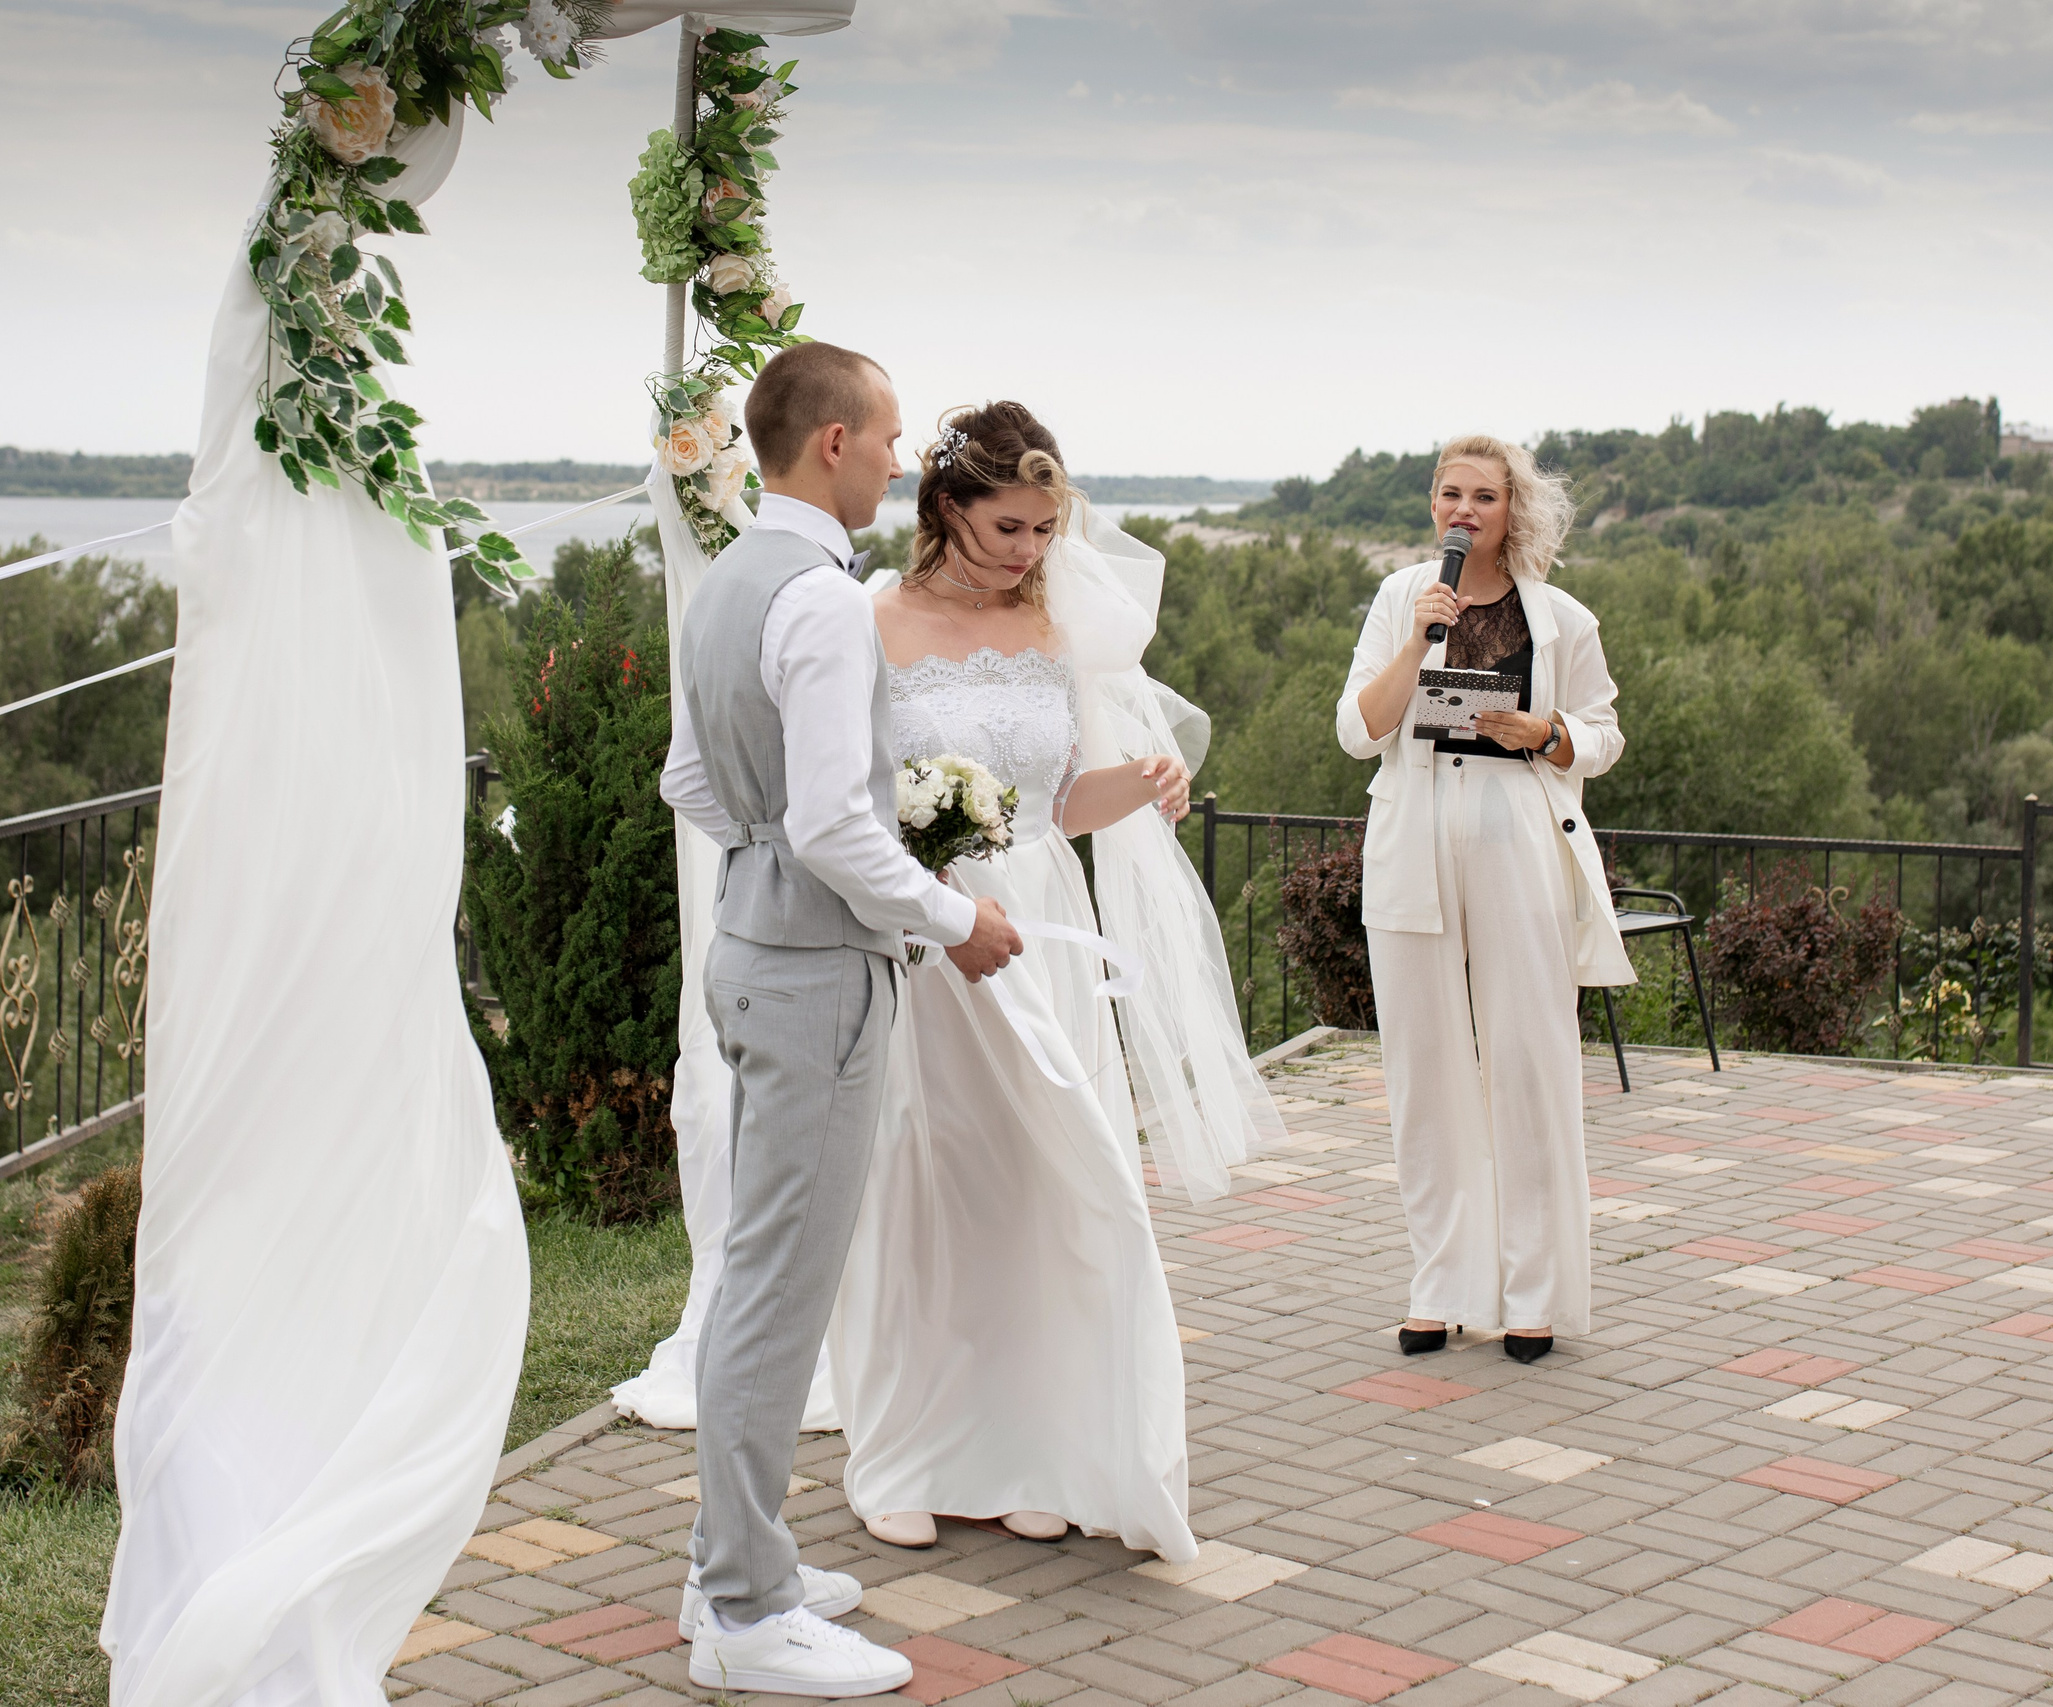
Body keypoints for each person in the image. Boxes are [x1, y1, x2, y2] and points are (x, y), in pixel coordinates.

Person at [827, 402, 1280, 1558]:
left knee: (1042, 1182)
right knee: (923, 1181)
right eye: (1010, 525)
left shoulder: (1055, 634)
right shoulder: (872, 622)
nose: (1031, 550)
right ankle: (903, 1450)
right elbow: (848, 802)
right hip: (925, 934)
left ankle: (1027, 1444)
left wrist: (1146, 781)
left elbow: (1059, 806)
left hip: (1041, 925)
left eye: (1044, 528)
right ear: (945, 509)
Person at [660, 341, 1026, 1698]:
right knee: (778, 1285)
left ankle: (728, 1556)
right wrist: (954, 917)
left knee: (764, 1271)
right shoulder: (818, 599)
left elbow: (693, 776)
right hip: (818, 976)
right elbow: (829, 821)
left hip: (757, 953)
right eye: (885, 440)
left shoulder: (727, 583)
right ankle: (747, 1612)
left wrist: (764, 857)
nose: (899, 463)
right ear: (830, 444)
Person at [1334, 436, 1634, 1365]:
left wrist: (1549, 733)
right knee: (1424, 1073)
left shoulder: (1562, 618)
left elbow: (1605, 731)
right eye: (1450, 494)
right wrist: (1422, 642)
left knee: (1528, 1059)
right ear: (1432, 504)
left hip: (1516, 838)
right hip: (1412, 840)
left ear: (1514, 510)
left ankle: (1534, 1293)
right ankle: (1442, 1284)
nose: (1464, 511)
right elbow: (1355, 731)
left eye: (1485, 497)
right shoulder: (1399, 599)